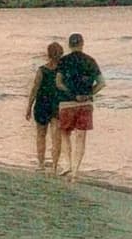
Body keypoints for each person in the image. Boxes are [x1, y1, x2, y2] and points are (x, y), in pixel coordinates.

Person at [54, 32, 104, 180]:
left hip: (67, 103)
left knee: (65, 133)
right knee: (81, 137)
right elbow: (102, 83)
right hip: (85, 103)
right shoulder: (90, 61)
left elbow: (58, 83)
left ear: (69, 45)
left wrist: (71, 94)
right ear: (82, 44)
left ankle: (68, 164)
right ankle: (75, 171)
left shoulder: (63, 61)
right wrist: (90, 94)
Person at [25, 40, 65, 171]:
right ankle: (54, 166)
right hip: (57, 105)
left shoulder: (42, 70)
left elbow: (34, 89)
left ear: (48, 54)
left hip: (42, 104)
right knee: (56, 136)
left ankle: (41, 164)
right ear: (61, 54)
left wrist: (29, 107)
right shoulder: (63, 71)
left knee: (41, 135)